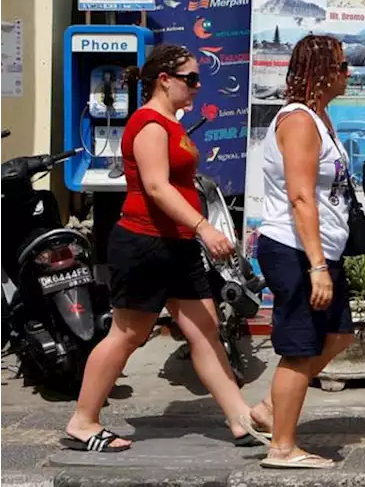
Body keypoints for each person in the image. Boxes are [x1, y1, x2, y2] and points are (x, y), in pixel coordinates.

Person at [65, 45, 271, 453]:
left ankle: (239, 419)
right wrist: (203, 227)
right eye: (190, 79)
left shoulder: (170, 123)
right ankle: (82, 421)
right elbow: (157, 187)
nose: (197, 87)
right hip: (145, 243)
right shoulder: (149, 125)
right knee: (129, 333)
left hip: (176, 245)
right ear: (165, 80)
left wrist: (195, 230)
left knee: (205, 328)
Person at [247, 36, 356, 469]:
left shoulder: (319, 118)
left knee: (340, 334)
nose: (350, 73)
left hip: (321, 249)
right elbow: (300, 197)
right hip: (296, 250)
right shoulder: (298, 122)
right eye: (344, 66)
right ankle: (282, 447)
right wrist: (316, 266)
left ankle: (273, 410)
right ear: (323, 72)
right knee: (299, 348)